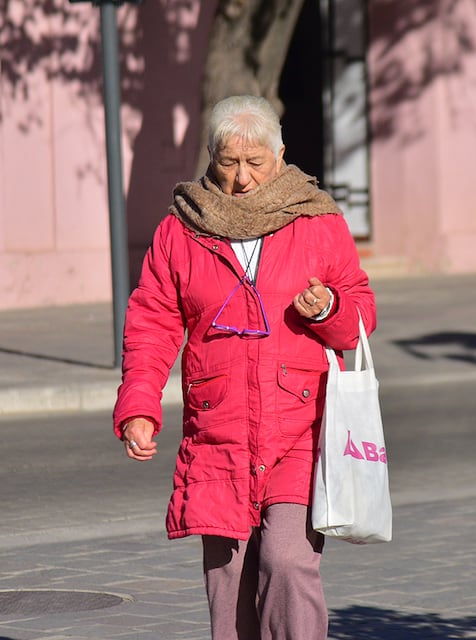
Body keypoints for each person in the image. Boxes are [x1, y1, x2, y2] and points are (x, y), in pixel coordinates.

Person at [113, 94, 377, 640]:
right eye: (228, 162)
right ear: (211, 157)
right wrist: (138, 405)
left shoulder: (317, 220)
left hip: (300, 424)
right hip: (218, 429)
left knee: (287, 560)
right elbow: (152, 322)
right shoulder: (182, 228)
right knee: (229, 579)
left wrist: (327, 309)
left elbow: (360, 315)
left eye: (255, 162)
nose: (242, 178)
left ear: (280, 155)